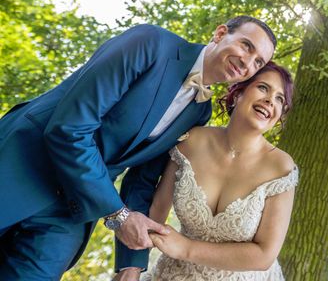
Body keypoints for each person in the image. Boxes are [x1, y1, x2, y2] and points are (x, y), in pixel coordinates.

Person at [0, 16, 277, 280]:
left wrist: (131, 265)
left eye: (259, 61)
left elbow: (143, 180)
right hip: (23, 166)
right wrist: (118, 215)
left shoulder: (199, 112)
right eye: (246, 45)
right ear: (220, 34)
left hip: (73, 210)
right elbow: (69, 128)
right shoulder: (150, 43)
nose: (248, 62)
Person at [116, 62, 297, 281]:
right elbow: (156, 210)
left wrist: (186, 249)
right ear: (238, 92)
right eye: (263, 88)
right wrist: (131, 268)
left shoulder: (281, 168)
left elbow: (264, 256)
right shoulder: (191, 141)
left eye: (280, 98)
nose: (271, 100)